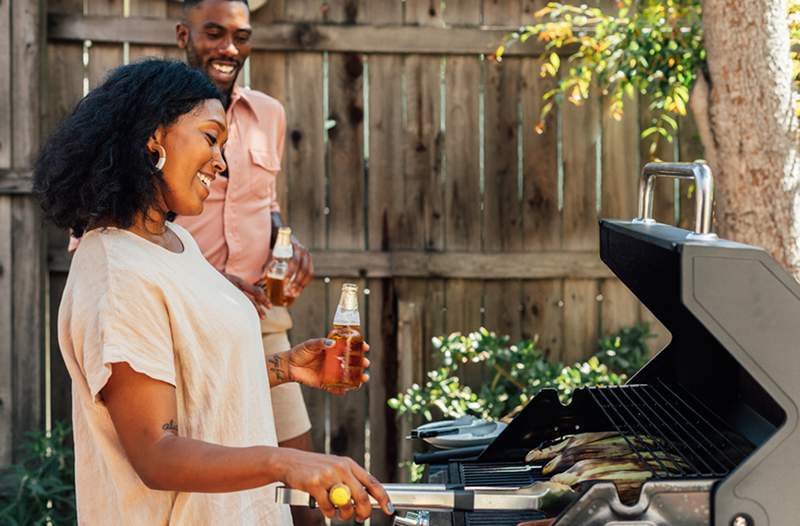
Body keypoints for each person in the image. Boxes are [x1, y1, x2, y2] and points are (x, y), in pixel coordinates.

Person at [35, 59, 392, 525]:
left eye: (224, 145)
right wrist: (287, 462)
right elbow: (156, 455)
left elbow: (189, 376)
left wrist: (283, 368)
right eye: (210, 138)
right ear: (153, 138)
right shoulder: (116, 275)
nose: (221, 164)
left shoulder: (175, 243)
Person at [173, 1, 320, 496]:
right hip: (189, 329)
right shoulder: (153, 117)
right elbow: (127, 230)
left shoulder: (268, 115)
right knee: (213, 481)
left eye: (241, 35)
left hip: (263, 321)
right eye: (213, 33)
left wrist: (287, 241)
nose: (229, 48)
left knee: (303, 478)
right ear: (182, 37)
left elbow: (267, 201)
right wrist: (204, 280)